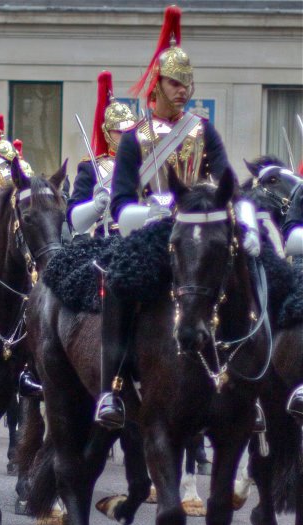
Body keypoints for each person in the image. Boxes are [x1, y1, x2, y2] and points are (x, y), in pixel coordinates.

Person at [94, 5, 232, 429]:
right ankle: (112, 389)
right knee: (118, 286)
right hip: (150, 234)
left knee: (243, 281)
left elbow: (226, 178)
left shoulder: (203, 131)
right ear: (158, 84)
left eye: (187, 84)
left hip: (196, 229)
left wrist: (215, 206)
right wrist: (150, 210)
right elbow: (119, 201)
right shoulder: (136, 138)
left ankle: (249, 387)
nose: (183, 91)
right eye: (175, 83)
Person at [68, 71, 137, 237]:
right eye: (118, 131)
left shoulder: (144, 163)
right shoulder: (91, 167)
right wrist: (95, 206)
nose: (125, 136)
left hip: (140, 235)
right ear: (107, 133)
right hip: (107, 239)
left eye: (128, 130)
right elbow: (73, 218)